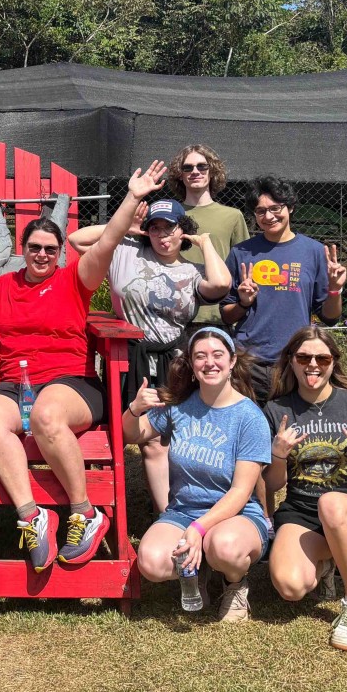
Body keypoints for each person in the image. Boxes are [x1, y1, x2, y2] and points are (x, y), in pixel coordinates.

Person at [0, 160, 167, 573]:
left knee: (47, 414)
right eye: (34, 248)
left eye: (50, 248)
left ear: (60, 251)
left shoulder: (75, 278)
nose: (42, 254)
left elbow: (107, 242)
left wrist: (134, 196)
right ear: (21, 251)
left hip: (72, 383)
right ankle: (32, 515)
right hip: (15, 384)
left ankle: (85, 512)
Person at [68, 198, 231, 513]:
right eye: (155, 228)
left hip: (176, 359)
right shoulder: (124, 251)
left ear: (182, 230)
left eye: (170, 228)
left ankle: (181, 508)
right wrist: (127, 227)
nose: (162, 235)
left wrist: (204, 242)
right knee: (145, 435)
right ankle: (165, 514)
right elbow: (77, 240)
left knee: (175, 437)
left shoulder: (192, 271)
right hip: (130, 355)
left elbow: (221, 283)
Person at [127, 328, 271, 623]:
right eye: (200, 356)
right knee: (151, 563)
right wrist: (134, 409)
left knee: (225, 548)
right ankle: (202, 567)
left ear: (231, 362)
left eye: (218, 355)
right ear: (191, 365)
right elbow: (132, 434)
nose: (209, 362)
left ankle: (234, 582)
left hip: (236, 515)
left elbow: (241, 492)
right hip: (184, 511)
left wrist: (198, 530)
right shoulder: (179, 406)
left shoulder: (250, 418)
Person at [264, 326, 347, 651]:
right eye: (304, 357)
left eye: (322, 357)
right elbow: (274, 484)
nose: (313, 364)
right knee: (291, 586)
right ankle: (333, 559)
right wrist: (278, 454)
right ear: (291, 361)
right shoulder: (277, 411)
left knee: (333, 503)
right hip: (301, 513)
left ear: (334, 361)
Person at [221, 176, 346, 403]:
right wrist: (243, 303)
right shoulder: (241, 253)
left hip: (295, 361)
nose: (268, 216)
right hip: (249, 362)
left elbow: (331, 317)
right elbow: (226, 314)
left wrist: (335, 289)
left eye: (275, 208)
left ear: (290, 208)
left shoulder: (314, 252)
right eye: (260, 211)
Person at [167, 144, 249, 327]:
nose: (195, 171)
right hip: (172, 313)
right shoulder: (168, 215)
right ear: (180, 175)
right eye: (187, 167)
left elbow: (244, 267)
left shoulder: (233, 216)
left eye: (202, 166)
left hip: (218, 316)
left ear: (212, 171)